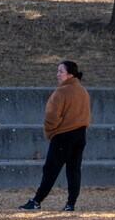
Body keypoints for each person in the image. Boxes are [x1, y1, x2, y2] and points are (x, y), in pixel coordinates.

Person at [20, 60, 91, 212]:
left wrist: (51, 132)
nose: (57, 74)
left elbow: (51, 117)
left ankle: (37, 200)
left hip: (63, 136)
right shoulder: (83, 91)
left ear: (70, 75)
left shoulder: (61, 92)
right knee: (74, 170)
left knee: (50, 170)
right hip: (80, 135)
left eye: (61, 72)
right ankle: (70, 203)